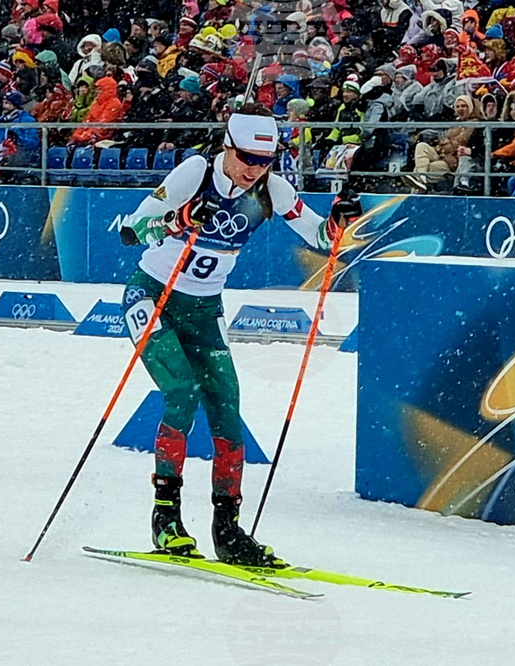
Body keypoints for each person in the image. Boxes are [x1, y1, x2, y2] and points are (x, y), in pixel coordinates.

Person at [118, 105, 361, 567]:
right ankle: (166, 518)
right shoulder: (196, 171)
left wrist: (340, 222)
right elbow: (133, 229)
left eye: (264, 161)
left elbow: (323, 240)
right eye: (247, 157)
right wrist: (179, 219)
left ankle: (228, 530)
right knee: (181, 393)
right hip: (153, 296)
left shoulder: (271, 188)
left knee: (227, 409)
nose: (254, 169)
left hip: (204, 310)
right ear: (227, 148)